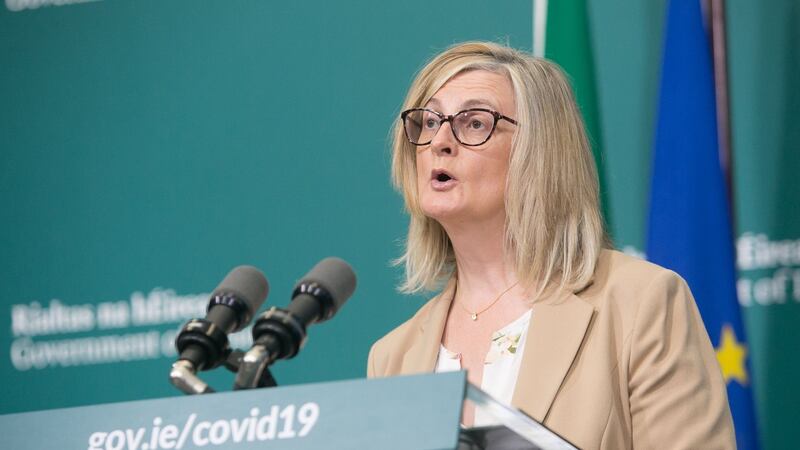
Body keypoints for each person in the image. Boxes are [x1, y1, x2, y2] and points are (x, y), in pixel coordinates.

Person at [367, 42, 735, 449]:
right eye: (429, 121)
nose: (439, 141)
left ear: (540, 150)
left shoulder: (640, 305)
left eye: (473, 123)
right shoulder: (392, 359)